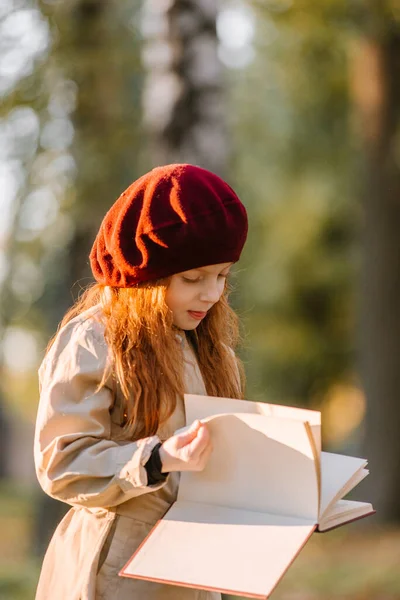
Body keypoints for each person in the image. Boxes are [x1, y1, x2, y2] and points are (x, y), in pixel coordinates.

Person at [34, 163, 248, 600]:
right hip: (115, 574)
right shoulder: (96, 339)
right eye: (193, 278)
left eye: (222, 276)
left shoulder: (211, 351)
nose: (211, 293)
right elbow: (61, 464)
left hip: (190, 572)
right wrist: (157, 458)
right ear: (145, 278)